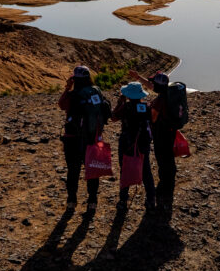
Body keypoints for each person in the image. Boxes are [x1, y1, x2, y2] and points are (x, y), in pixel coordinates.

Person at [58, 65, 110, 213]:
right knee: (93, 170)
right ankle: (92, 201)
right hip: (93, 137)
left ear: (74, 79)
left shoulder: (72, 96)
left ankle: (71, 201)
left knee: (73, 170)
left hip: (73, 138)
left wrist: (67, 88)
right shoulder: (97, 92)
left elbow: (61, 105)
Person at [129, 70, 177, 212]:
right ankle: (170, 182)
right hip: (170, 130)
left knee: (162, 157)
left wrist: (148, 109)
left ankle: (164, 185)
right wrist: (139, 77)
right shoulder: (168, 93)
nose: (152, 85)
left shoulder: (159, 101)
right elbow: (151, 86)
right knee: (169, 156)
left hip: (161, 133)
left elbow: (154, 118)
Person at [111, 81, 156, 212]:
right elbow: (152, 121)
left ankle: (123, 200)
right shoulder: (146, 107)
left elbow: (113, 117)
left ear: (128, 95)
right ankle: (151, 199)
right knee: (146, 170)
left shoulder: (125, 107)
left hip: (126, 142)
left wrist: (120, 102)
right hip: (143, 142)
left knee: (124, 169)